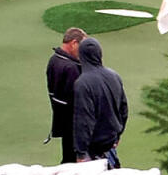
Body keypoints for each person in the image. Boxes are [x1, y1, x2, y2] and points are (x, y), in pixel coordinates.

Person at [72, 36, 129, 166]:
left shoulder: (82, 83)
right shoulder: (114, 76)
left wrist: (81, 153)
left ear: (81, 55)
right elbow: (123, 109)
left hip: (94, 150)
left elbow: (84, 121)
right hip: (111, 146)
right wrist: (118, 135)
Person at [45, 27, 84, 164]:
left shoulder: (54, 60)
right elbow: (76, 99)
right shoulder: (71, 68)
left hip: (62, 120)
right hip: (73, 124)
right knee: (73, 160)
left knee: (68, 156)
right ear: (73, 43)